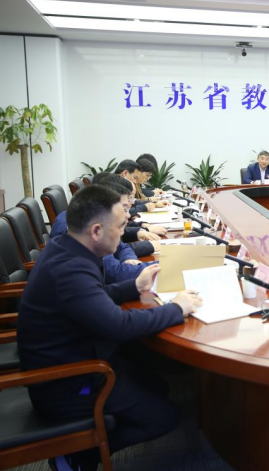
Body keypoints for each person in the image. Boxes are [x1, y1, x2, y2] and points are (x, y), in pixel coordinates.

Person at [17, 185, 202, 471]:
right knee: (164, 417)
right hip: (69, 382)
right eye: (120, 227)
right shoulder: (70, 270)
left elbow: (93, 297)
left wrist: (134, 285)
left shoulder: (68, 249)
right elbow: (119, 325)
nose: (123, 232)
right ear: (96, 231)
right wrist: (177, 308)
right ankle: (80, 454)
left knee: (160, 386)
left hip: (82, 357)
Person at [49, 181, 150, 283]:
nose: (128, 214)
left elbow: (122, 247)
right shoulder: (77, 260)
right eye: (124, 209)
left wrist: (128, 260)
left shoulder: (86, 225)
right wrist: (158, 266)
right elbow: (114, 274)